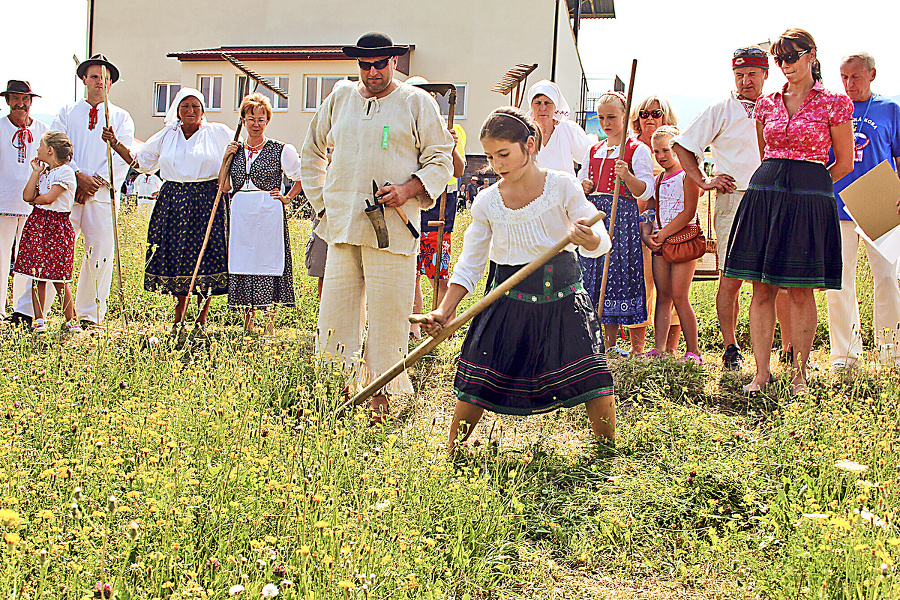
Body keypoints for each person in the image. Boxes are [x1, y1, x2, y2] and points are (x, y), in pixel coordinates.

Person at [419, 107, 615, 450]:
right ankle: (452, 449)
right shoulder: (486, 203)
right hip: (508, 299)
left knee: (592, 377)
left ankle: (608, 449)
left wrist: (591, 238)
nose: (497, 164)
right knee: (479, 376)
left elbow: (597, 233)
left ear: (529, 144)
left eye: (504, 154)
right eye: (492, 157)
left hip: (565, 299)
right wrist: (444, 311)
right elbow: (470, 264)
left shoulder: (561, 185)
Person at [300, 32, 453, 422]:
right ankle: (334, 393)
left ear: (394, 63)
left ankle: (380, 397)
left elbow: (441, 160)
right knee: (335, 316)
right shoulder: (340, 97)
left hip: (393, 231)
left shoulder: (416, 101)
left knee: (389, 316)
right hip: (343, 227)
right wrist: (323, 205)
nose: (372, 72)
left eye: (379, 64)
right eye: (365, 65)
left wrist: (408, 189)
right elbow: (311, 151)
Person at [724, 29, 853, 396]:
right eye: (779, 60)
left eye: (791, 58)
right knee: (761, 287)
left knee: (800, 291)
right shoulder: (765, 104)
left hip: (809, 197)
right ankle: (761, 373)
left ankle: (799, 374)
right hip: (766, 194)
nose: (785, 66)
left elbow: (844, 162)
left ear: (811, 55)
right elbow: (767, 152)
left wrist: (811, 189)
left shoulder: (835, 102)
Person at [10, 55, 135, 328]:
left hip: (99, 194)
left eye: (104, 78)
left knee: (99, 252)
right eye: (93, 76)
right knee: (48, 249)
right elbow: (56, 145)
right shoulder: (66, 112)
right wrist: (76, 176)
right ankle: (29, 311)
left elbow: (121, 155)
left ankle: (90, 313)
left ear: (111, 83)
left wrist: (96, 181)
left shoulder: (121, 117)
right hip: (64, 191)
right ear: (84, 80)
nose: (98, 82)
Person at [672, 46, 773, 371]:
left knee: (772, 278)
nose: (746, 80)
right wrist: (703, 180)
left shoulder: (777, 108)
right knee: (731, 276)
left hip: (772, 197)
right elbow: (684, 145)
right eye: (740, 75)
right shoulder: (721, 109)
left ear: (765, 75)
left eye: (752, 74)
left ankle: (781, 349)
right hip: (735, 198)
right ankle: (731, 347)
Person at [103, 88, 233, 333]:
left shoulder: (218, 132)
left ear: (203, 109)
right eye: (185, 106)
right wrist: (114, 143)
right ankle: (179, 317)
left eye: (196, 106)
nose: (190, 111)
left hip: (207, 199)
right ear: (177, 111)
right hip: (173, 200)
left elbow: (235, 159)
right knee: (178, 257)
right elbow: (140, 161)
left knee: (205, 257)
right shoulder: (166, 135)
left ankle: (202, 319)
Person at [827, 52, 900, 371]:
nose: (849, 83)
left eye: (855, 76)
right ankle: (845, 356)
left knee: (886, 278)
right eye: (843, 77)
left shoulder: (890, 109)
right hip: (838, 203)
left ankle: (893, 353)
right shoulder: (832, 109)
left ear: (872, 74)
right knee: (839, 282)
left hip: (881, 201)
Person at [576, 92, 654, 354]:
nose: (606, 122)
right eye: (601, 117)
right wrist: (585, 186)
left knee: (619, 276)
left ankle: (627, 345)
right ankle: (599, 344)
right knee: (595, 275)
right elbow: (581, 184)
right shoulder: (594, 149)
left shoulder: (637, 150)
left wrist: (627, 176)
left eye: (611, 117)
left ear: (624, 116)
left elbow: (645, 190)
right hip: (597, 216)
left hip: (622, 218)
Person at [221, 92, 301, 333]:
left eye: (261, 119)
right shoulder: (235, 150)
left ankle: (268, 326)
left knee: (268, 263)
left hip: (268, 212)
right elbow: (224, 186)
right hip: (242, 212)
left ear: (267, 121)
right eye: (251, 118)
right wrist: (226, 159)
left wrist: (287, 198)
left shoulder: (280, 149)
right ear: (243, 120)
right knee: (244, 263)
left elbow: (301, 176)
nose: (256, 124)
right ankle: (248, 324)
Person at [639, 126, 702, 363]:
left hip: (682, 241)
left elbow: (688, 212)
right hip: (660, 244)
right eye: (657, 151)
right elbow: (650, 209)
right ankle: (659, 347)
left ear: (677, 150)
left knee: (680, 295)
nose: (662, 155)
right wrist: (647, 233)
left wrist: (662, 234)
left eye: (666, 150)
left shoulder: (688, 175)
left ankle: (693, 350)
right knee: (663, 295)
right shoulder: (658, 179)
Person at [14, 131, 78, 333]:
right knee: (37, 274)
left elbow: (49, 198)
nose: (37, 149)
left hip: (56, 225)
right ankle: (39, 319)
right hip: (39, 224)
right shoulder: (44, 173)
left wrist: (35, 200)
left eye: (41, 146)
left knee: (59, 276)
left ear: (49, 150)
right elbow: (27, 195)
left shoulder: (65, 173)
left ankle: (71, 319)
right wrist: (35, 172)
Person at [630, 96, 680, 353]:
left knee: (671, 289)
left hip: (672, 225)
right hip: (638, 224)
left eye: (656, 113)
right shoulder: (631, 147)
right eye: (644, 113)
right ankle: (638, 348)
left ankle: (670, 348)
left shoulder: (676, 145)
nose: (649, 118)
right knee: (640, 284)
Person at [0, 80, 48, 320]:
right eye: (16, 99)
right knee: (0, 257)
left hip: (33, 206)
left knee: (26, 260)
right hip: (2, 203)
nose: (21, 104)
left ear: (31, 102)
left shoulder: (43, 130)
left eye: (25, 99)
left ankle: (21, 312)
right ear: (8, 101)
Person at [526, 79, 597, 176]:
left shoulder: (569, 129)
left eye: (547, 103)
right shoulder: (524, 131)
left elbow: (587, 156)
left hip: (563, 189)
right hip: (532, 188)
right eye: (538, 103)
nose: (542, 108)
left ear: (555, 106)